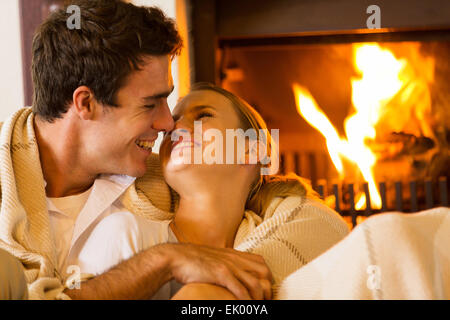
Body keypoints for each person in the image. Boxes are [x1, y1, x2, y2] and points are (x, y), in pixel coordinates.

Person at [0, 0, 272, 300]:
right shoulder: (6, 193)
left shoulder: (161, 178)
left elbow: (283, 205)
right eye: (149, 104)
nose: (168, 123)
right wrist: (164, 261)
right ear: (86, 103)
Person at [75, 83, 350, 299]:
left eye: (203, 115)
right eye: (174, 121)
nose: (173, 127)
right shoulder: (127, 233)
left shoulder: (289, 237)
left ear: (252, 149)